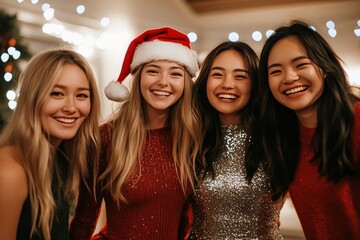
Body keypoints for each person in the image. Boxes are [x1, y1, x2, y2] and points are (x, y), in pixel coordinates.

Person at [69, 27, 201, 239]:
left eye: (175, 73)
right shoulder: (106, 138)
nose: (163, 81)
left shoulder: (193, 137)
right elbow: (83, 220)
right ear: (139, 77)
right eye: (153, 71)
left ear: (186, 83)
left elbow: (188, 219)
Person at [255, 20, 360, 239]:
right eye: (276, 71)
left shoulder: (356, 120)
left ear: (323, 68)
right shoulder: (283, 138)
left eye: (301, 64)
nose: (290, 77)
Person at [0, 48, 101, 240]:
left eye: (81, 95)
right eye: (57, 93)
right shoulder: (10, 170)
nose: (71, 108)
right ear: (32, 98)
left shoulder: (61, 157)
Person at [189, 41, 284, 239]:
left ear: (255, 84)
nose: (227, 84)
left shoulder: (277, 136)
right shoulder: (189, 137)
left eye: (240, 76)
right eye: (217, 74)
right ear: (205, 80)